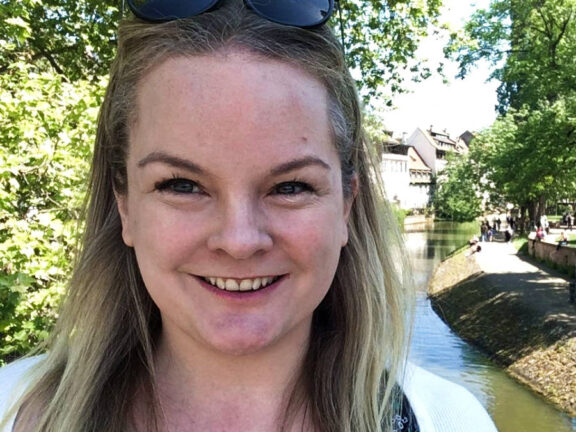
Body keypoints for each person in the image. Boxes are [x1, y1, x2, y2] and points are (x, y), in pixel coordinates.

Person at [0, 2, 498, 432]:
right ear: (124, 204)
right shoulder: (10, 407)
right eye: (182, 185)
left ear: (345, 204)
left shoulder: (451, 420)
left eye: (290, 187)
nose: (239, 241)